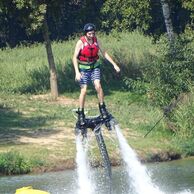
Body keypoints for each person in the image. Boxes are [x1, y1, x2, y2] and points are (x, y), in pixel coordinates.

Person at [72, 23, 120, 126]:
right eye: (89, 34)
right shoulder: (80, 42)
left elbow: (104, 53)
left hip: (95, 67)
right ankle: (81, 114)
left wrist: (114, 65)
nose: (91, 35)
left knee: (98, 86)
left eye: (93, 33)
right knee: (84, 90)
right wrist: (77, 72)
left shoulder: (96, 40)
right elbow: (74, 57)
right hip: (84, 69)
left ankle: (102, 109)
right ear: (86, 33)